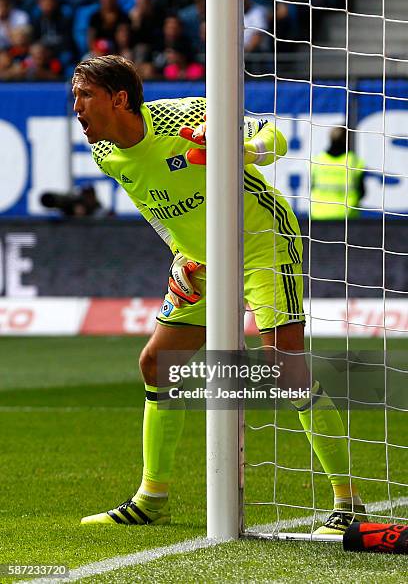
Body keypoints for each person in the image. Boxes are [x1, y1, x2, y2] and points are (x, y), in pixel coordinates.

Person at [72, 55, 367, 535]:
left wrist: (241, 149)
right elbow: (157, 208)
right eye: (74, 97)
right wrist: (180, 256)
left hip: (260, 238)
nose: (77, 108)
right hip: (201, 258)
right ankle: (152, 500)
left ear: (119, 98)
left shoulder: (180, 115)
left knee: (285, 366)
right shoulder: (104, 152)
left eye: (84, 95)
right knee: (156, 363)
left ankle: (348, 502)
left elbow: (274, 134)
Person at [311, 127, 366, 219]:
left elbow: (311, 187)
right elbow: (362, 192)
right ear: (347, 139)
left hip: (319, 215)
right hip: (347, 216)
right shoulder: (354, 161)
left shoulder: (317, 160)